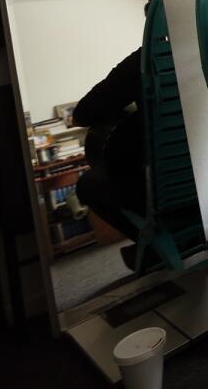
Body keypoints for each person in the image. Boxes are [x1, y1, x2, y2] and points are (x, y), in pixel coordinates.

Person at [73, 48, 151, 270]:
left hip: (166, 189)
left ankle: (155, 241)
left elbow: (83, 114)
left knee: (88, 184)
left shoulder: (144, 59)